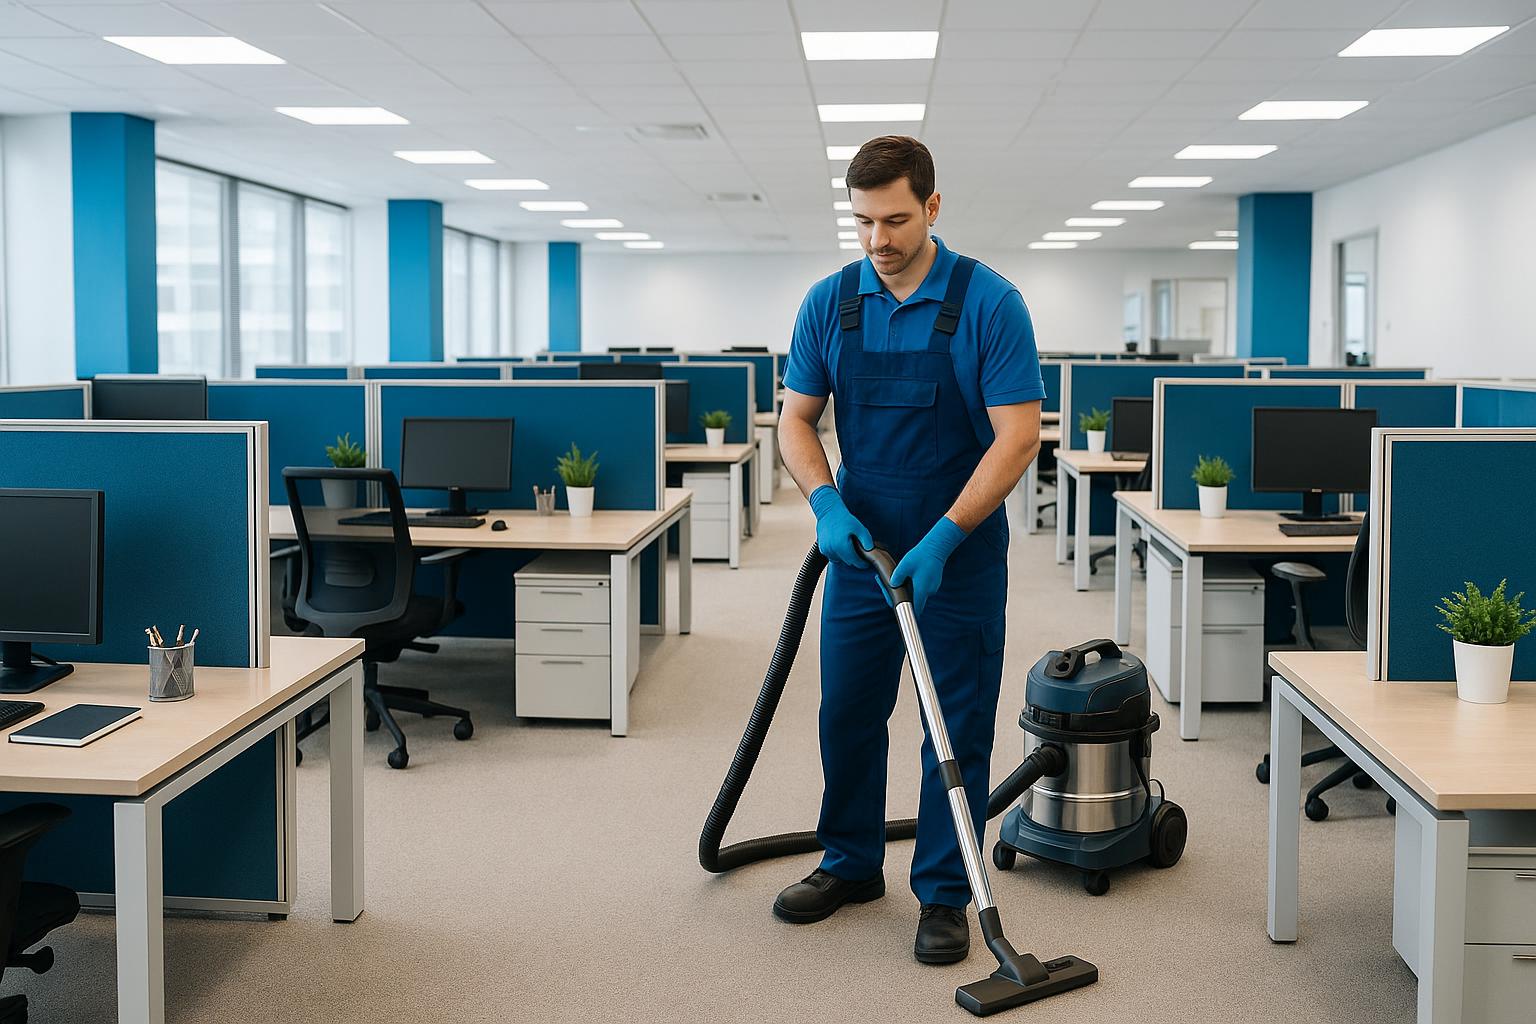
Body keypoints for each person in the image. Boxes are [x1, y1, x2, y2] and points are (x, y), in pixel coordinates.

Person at [774, 136, 1044, 965]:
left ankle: (943, 895)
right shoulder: (831, 302)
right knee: (847, 713)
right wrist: (823, 501)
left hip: (954, 552)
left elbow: (1018, 435)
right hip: (859, 550)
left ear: (931, 206)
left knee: (951, 727)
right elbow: (795, 420)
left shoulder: (990, 303)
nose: (878, 241)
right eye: (862, 222)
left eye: (894, 220)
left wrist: (945, 537)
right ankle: (851, 863)